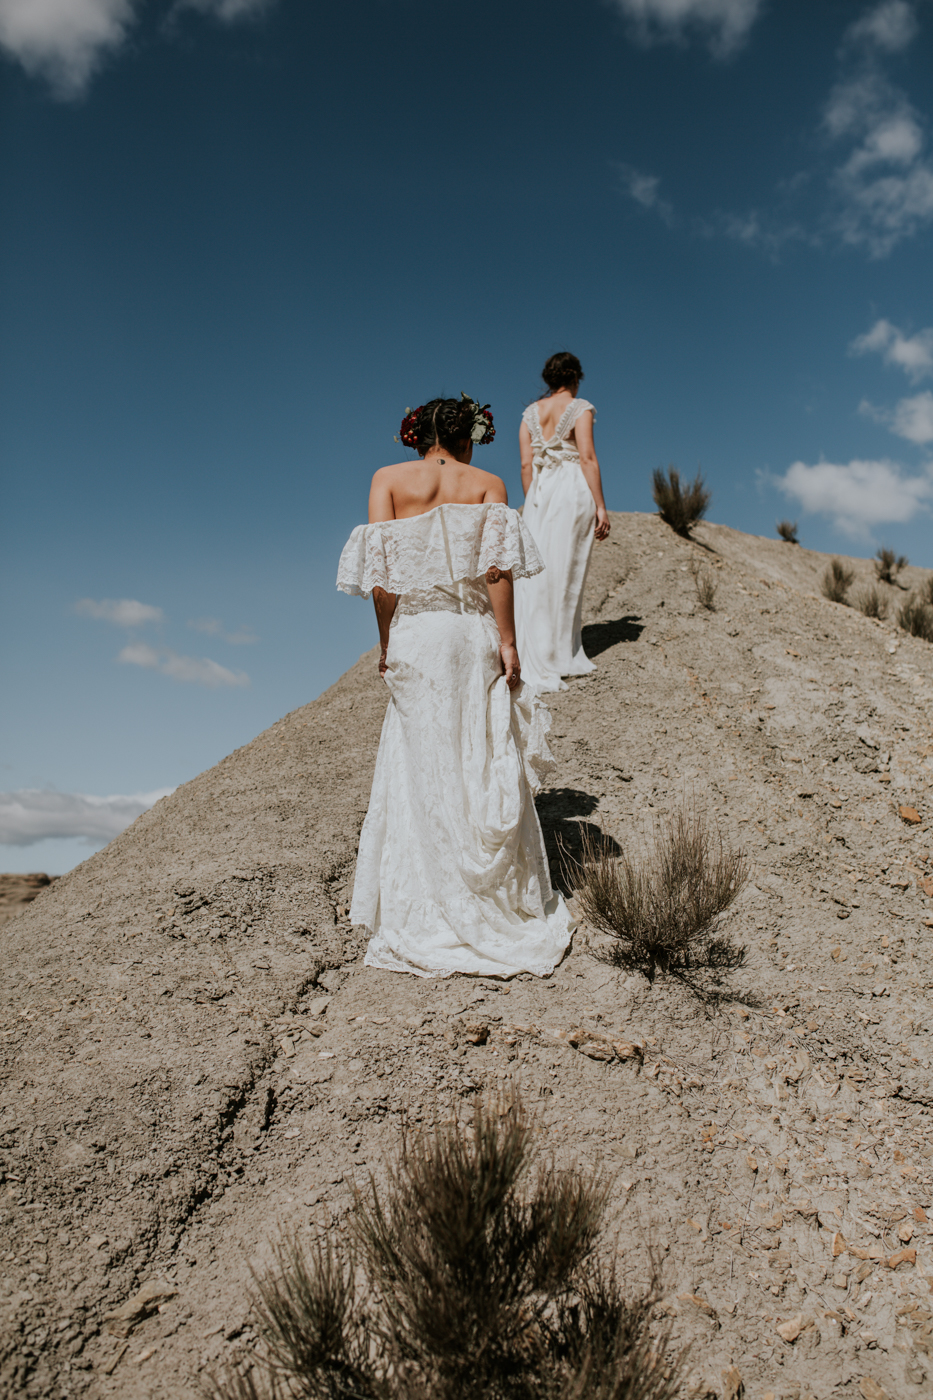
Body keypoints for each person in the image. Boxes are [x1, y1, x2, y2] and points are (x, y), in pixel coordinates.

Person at [336, 394, 574, 978]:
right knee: (478, 753)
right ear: (468, 434)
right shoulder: (489, 483)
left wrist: (388, 641)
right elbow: (495, 571)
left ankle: (424, 903)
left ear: (420, 435)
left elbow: (383, 580)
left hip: (418, 632)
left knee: (421, 763)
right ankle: (485, 896)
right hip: (470, 634)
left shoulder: (386, 480)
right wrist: (509, 640)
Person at [513, 352, 610, 693]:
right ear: (576, 377)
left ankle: (538, 649)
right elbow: (587, 457)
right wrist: (600, 505)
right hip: (571, 488)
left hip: (539, 492)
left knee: (538, 574)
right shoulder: (580, 407)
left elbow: (526, 466)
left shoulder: (529, 415)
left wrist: (532, 502)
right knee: (567, 568)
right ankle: (560, 654)